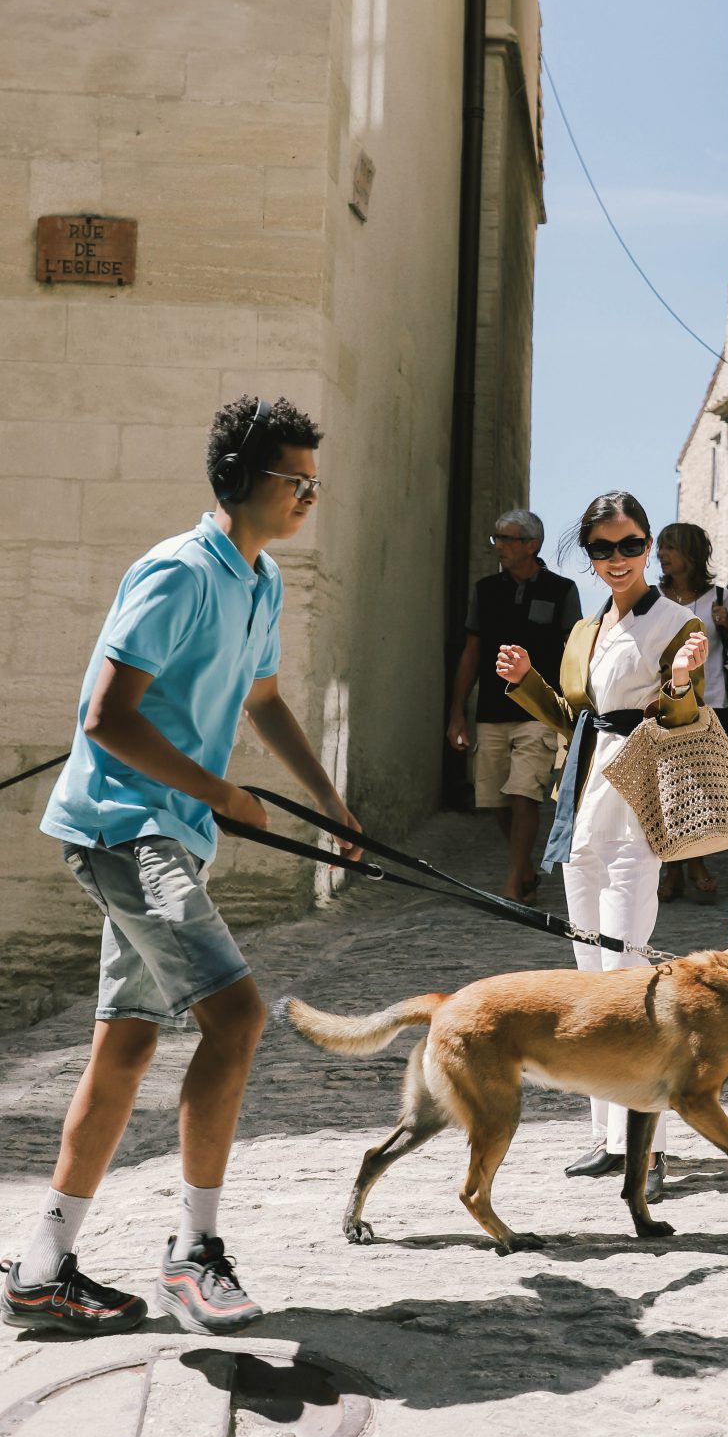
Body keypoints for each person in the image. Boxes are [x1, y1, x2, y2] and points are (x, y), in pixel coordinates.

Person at [1, 395, 360, 1339]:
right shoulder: (176, 571)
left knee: (126, 1045)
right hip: (126, 827)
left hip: (167, 831)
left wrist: (328, 801)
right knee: (235, 1016)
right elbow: (106, 719)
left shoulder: (262, 578)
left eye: (315, 484)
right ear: (243, 478)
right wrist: (222, 793)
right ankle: (194, 1255)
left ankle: (43, 1269)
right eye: (296, 482)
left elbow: (268, 699)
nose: (309, 498)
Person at [495, 490, 708, 1202]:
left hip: (636, 808)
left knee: (630, 981)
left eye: (629, 545)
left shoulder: (676, 623)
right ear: (586, 556)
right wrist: (525, 683)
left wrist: (679, 682)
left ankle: (647, 1150)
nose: (617, 559)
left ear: (648, 547)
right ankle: (607, 1138)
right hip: (582, 809)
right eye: (602, 548)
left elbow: (683, 716)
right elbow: (572, 719)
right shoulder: (584, 631)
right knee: (589, 984)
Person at [446, 510, 582, 902]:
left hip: (539, 712)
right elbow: (472, 653)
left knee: (525, 794)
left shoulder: (561, 590)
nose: (498, 546)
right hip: (490, 710)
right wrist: (458, 711)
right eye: (496, 538)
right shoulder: (485, 590)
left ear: (531, 545)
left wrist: (570, 713)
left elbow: (571, 652)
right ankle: (523, 867)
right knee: (497, 801)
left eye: (505, 539)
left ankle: (512, 880)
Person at [655, 521, 728, 904]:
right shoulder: (653, 597)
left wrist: (727, 625)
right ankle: (679, 866)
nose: (661, 555)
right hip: (665, 701)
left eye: (669, 547)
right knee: (671, 789)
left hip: (712, 701)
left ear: (690, 552)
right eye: (660, 548)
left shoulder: (720, 596)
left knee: (702, 788)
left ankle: (690, 864)